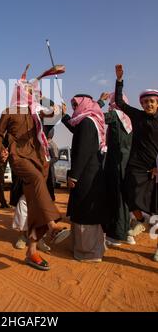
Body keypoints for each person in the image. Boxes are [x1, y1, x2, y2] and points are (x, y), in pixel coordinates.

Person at [0, 64, 69, 271]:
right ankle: (53, 226)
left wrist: (56, 111)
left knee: (35, 205)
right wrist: (0, 149)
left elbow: (48, 114)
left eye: (32, 91)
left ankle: (31, 252)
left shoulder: (35, 112)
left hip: (39, 159)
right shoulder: (9, 111)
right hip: (19, 158)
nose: (31, 92)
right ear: (19, 91)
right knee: (36, 181)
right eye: (27, 89)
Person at [115, 64, 158, 261]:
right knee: (127, 192)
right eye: (146, 101)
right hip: (136, 165)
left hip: (155, 167)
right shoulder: (138, 116)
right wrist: (120, 81)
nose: (149, 104)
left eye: (152, 101)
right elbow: (119, 102)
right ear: (141, 104)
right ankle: (140, 221)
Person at [62, 95, 108, 262]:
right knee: (84, 210)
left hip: (86, 175)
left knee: (85, 211)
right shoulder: (89, 121)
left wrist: (74, 176)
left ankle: (87, 252)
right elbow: (75, 130)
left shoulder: (87, 123)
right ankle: (85, 248)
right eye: (73, 105)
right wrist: (64, 115)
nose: (74, 107)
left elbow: (83, 152)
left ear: (85, 104)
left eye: (76, 104)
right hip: (90, 173)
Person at [97, 92, 134, 246]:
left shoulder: (115, 115)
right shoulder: (130, 119)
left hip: (115, 164)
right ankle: (127, 233)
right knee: (125, 199)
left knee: (115, 197)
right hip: (127, 164)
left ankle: (116, 236)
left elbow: (96, 117)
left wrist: (99, 102)